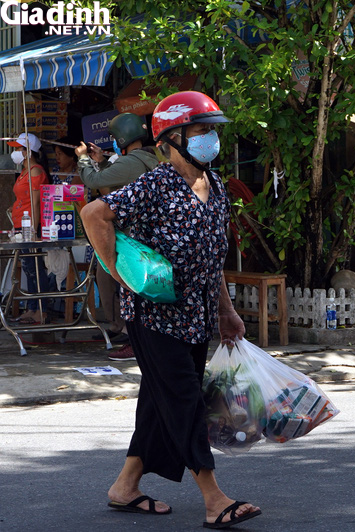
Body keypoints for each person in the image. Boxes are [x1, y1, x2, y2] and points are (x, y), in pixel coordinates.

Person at [80, 91, 261, 529]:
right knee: (183, 402)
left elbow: (211, 256)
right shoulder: (156, 183)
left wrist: (226, 311)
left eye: (212, 131)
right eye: (201, 131)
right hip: (155, 318)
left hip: (196, 317)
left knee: (160, 404)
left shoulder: (214, 185)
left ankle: (125, 487)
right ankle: (214, 499)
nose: (210, 140)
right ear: (173, 138)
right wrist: (117, 273)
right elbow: (93, 215)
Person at [76, 113, 160, 355]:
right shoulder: (148, 158)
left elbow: (95, 182)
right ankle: (127, 331)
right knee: (129, 286)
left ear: (122, 138)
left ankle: (134, 340)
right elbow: (114, 182)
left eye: (114, 138)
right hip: (147, 235)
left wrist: (83, 159)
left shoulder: (130, 162)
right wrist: (101, 160)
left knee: (129, 287)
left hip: (132, 236)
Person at [8, 133, 50, 325]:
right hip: (19, 225)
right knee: (28, 268)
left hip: (30, 227)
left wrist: (33, 228)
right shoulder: (25, 171)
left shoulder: (35, 171)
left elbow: (35, 203)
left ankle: (41, 310)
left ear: (28, 151)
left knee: (35, 268)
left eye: (19, 149)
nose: (16, 152)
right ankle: (32, 308)